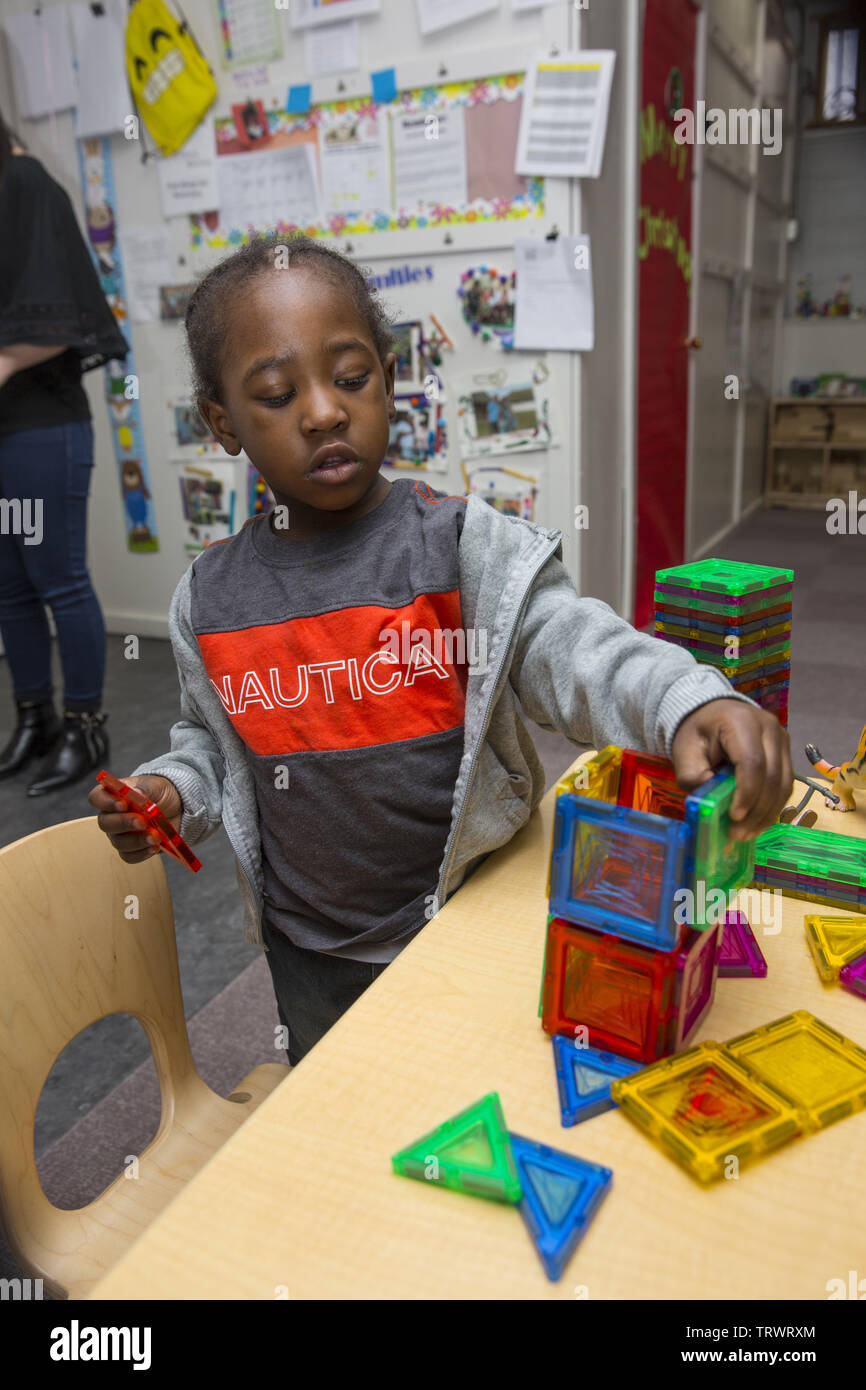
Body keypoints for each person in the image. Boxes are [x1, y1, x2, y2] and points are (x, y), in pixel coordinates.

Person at [89, 234, 792, 1067]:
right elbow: (215, 741)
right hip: (312, 950)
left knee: (471, 1097)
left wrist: (687, 699)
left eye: (350, 378)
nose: (322, 411)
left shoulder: (459, 546)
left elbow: (570, 646)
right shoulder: (209, 600)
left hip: (468, 913)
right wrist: (172, 791)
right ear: (223, 424)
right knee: (343, 1118)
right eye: (277, 395)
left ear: (388, 379)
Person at [0, 113, 129, 794]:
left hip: (39, 428)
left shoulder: (27, 184)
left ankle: (86, 725)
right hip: (6, 429)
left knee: (57, 579)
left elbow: (55, 320)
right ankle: (35, 718)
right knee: (11, 588)